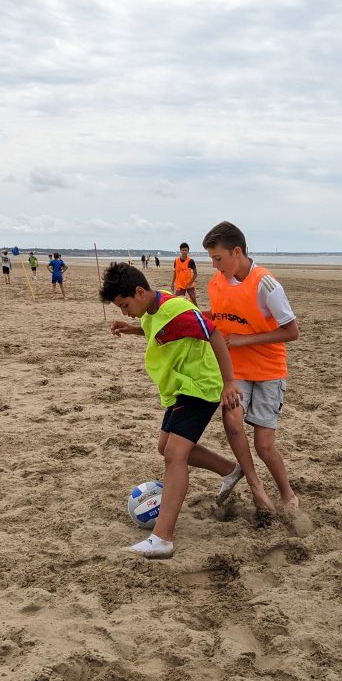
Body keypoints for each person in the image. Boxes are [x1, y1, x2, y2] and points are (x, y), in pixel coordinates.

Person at [99, 262, 245, 559]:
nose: (124, 311)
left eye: (125, 305)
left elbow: (213, 334)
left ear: (140, 292)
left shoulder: (176, 309)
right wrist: (132, 329)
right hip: (180, 387)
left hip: (200, 387)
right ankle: (230, 470)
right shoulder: (153, 307)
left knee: (174, 455)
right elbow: (159, 330)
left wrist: (229, 382)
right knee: (164, 446)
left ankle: (162, 538)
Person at [202, 221, 298, 514]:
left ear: (237, 251)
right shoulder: (216, 283)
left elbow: (291, 331)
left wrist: (245, 340)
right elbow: (218, 319)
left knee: (264, 445)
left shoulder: (266, 284)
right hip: (237, 372)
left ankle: (287, 495)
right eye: (212, 260)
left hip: (269, 372)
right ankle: (255, 485)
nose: (216, 266)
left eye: (219, 258)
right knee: (231, 422)